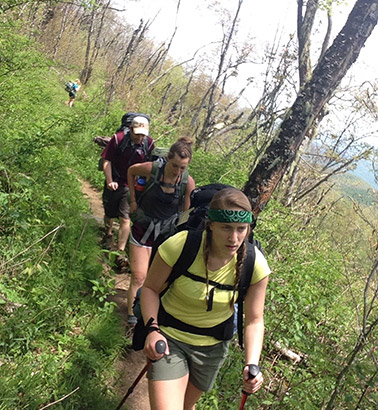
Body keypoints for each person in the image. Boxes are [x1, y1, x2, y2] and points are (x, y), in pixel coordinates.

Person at [140, 187, 271, 410]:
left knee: (186, 406)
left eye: (241, 229)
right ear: (210, 224)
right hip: (170, 337)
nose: (234, 238)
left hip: (212, 348)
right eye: (226, 228)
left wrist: (252, 363)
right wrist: (152, 330)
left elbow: (254, 320)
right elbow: (150, 289)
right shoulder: (181, 245)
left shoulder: (255, 264)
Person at [126, 137, 195, 326]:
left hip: (165, 237)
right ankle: (132, 320)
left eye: (182, 167)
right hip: (142, 229)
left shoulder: (187, 183)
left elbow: (186, 214)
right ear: (168, 158)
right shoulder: (152, 170)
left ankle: (147, 319)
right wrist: (132, 200)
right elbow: (131, 171)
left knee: (154, 280)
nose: (178, 171)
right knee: (139, 276)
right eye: (174, 165)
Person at [101, 115, 155, 269]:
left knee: (125, 217)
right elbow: (107, 161)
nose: (140, 138)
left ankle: (120, 252)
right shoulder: (118, 139)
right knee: (109, 212)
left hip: (132, 185)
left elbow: (150, 166)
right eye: (137, 134)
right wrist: (110, 180)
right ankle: (108, 233)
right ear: (130, 129)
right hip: (115, 181)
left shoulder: (149, 144)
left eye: (143, 135)